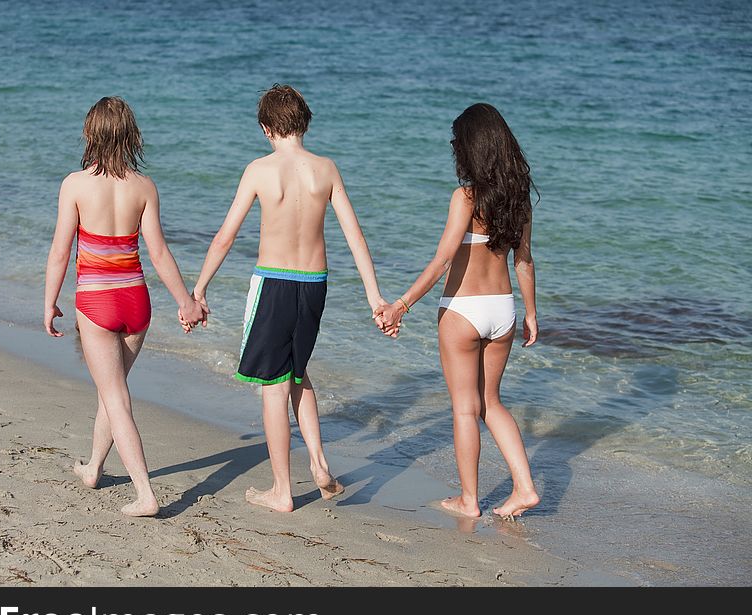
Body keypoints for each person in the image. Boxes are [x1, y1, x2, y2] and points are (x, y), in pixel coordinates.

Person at [191, 84, 387, 513]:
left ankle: (281, 490)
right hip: (315, 283)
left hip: (274, 282)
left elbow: (226, 236)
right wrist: (375, 298)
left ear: (266, 128)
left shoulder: (259, 170)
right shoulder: (326, 169)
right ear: (305, 122)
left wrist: (200, 287)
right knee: (298, 373)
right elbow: (355, 236)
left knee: (272, 387)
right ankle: (318, 463)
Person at [376, 103, 540, 519]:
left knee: (465, 409)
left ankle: (469, 500)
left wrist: (401, 305)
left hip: (463, 310)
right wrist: (531, 313)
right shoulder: (519, 201)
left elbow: (442, 260)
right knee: (492, 403)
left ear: (470, 149)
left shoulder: (465, 197)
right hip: (503, 309)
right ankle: (524, 487)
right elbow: (524, 261)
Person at [43, 96, 205, 517]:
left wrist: (49, 302)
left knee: (115, 396)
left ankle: (146, 494)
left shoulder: (75, 184)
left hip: (96, 301)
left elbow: (61, 252)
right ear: (131, 136)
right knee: (110, 389)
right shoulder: (144, 187)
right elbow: (160, 254)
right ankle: (94, 468)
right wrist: (185, 302)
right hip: (136, 301)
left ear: (90, 134)